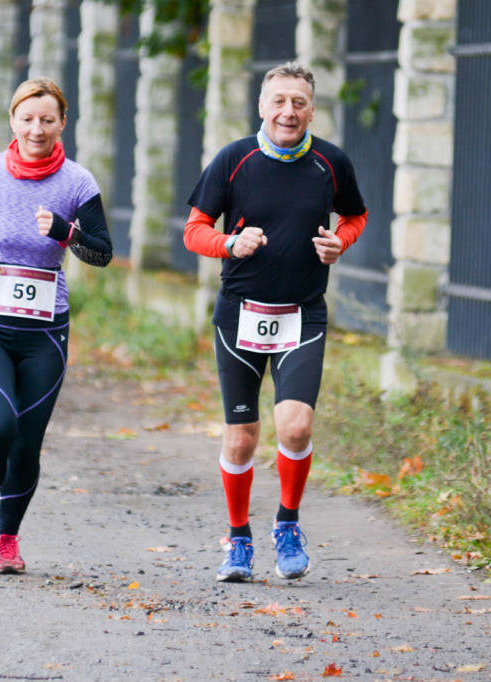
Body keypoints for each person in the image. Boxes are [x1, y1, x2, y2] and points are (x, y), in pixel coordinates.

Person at [183, 62, 368, 582]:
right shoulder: (233, 160)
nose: (289, 111)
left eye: (300, 102)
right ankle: (237, 537)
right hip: (239, 313)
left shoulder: (331, 163)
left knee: (296, 424)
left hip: (302, 312)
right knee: (241, 437)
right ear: (262, 106)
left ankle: (287, 524)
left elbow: (356, 216)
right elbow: (194, 230)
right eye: (279, 101)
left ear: (312, 108)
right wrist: (229, 244)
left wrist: (341, 243)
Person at [0, 78, 113, 574]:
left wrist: (65, 230)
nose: (36, 128)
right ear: (12, 121)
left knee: (27, 440)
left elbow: (101, 252)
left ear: (63, 123)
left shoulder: (78, 182)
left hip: (45, 332)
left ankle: (8, 540)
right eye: (27, 118)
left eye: (47, 119)